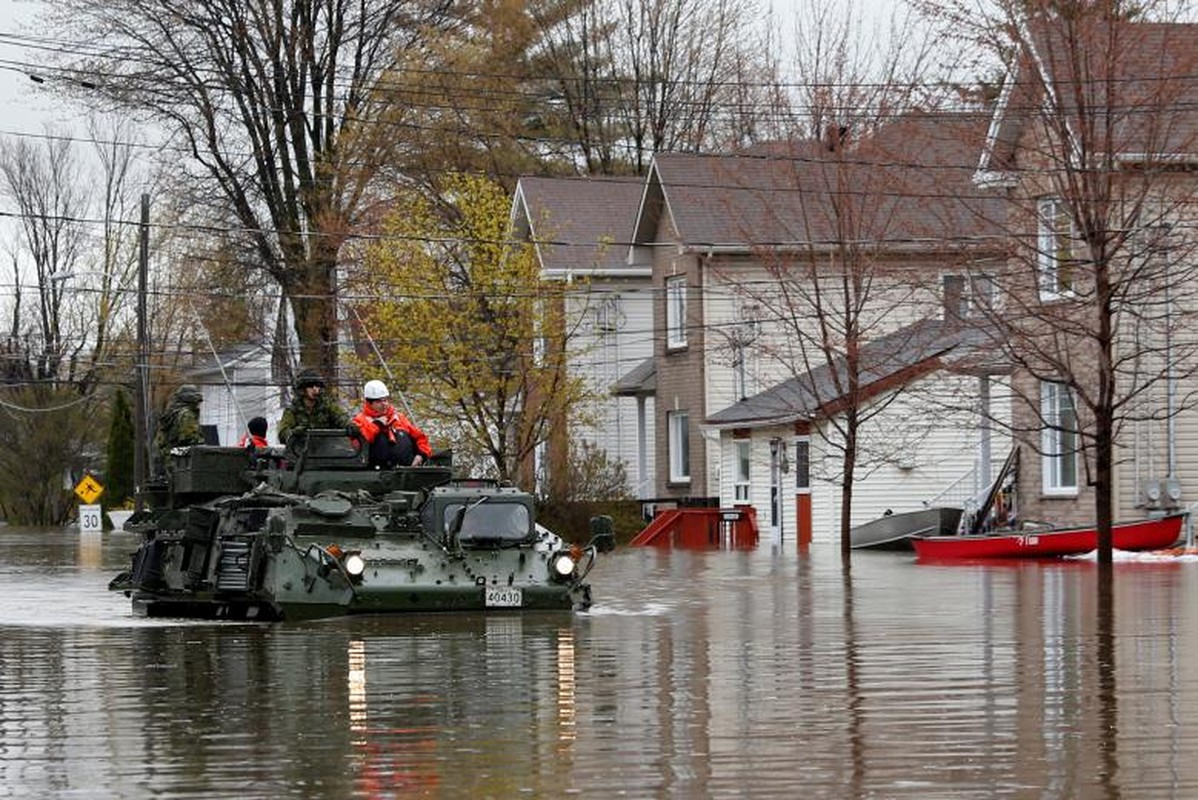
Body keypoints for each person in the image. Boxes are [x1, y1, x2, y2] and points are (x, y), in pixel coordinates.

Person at [350, 379, 432, 468]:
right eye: (378, 402)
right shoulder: (361, 420)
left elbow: (421, 438)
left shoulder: (399, 418)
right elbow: (360, 442)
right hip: (377, 473)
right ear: (369, 403)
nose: (383, 404)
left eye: (385, 400)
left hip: (406, 472)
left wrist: (421, 455)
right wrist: (377, 424)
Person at [277, 368, 349, 444]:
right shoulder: (292, 410)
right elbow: (283, 432)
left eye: (317, 386)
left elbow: (341, 417)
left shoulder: (327, 406)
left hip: (326, 450)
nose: (315, 389)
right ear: (302, 388)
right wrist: (293, 433)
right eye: (310, 386)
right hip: (301, 452)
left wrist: (349, 425)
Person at [154, 384, 205, 465]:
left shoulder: (172, 413)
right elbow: (190, 439)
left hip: (169, 459)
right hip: (181, 463)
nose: (198, 404)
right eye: (197, 401)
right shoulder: (187, 414)